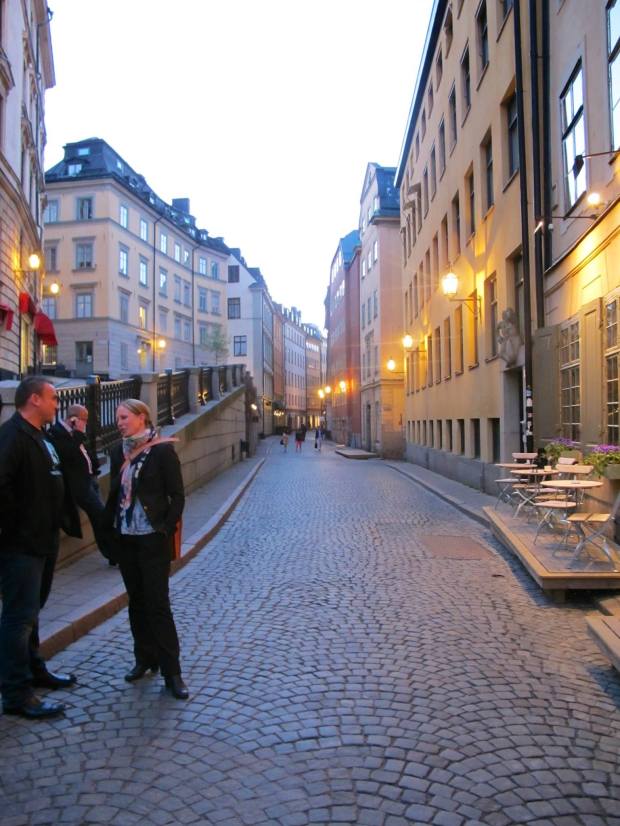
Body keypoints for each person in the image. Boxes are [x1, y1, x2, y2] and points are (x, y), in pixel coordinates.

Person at [0, 376, 78, 719]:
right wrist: (22, 525)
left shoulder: (41, 435)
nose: (56, 404)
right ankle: (16, 693)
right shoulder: (12, 435)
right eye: (51, 398)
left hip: (43, 541)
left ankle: (36, 670)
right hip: (21, 545)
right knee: (18, 619)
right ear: (33, 400)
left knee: (32, 613)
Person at [104, 399, 188, 700]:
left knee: (157, 604)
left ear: (142, 418)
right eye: (117, 418)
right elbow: (116, 494)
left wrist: (163, 528)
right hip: (127, 539)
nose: (119, 422)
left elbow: (177, 496)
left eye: (124, 417)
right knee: (136, 602)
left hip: (152, 539)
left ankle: (172, 671)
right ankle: (144, 658)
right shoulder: (117, 451)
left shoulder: (162, 450)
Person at [49, 405, 117, 565]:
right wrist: (78, 433)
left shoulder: (74, 433)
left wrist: (93, 465)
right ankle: (115, 553)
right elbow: (68, 455)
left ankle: (112, 553)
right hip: (79, 485)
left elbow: (82, 452)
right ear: (74, 418)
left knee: (100, 517)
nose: (86, 423)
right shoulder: (57, 432)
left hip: (90, 480)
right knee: (101, 515)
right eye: (84, 419)